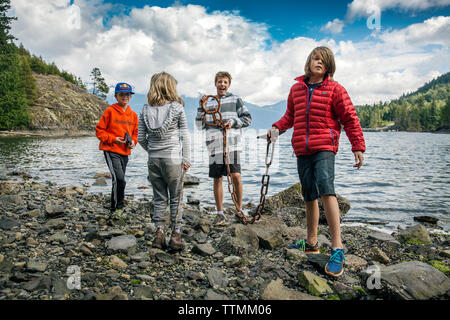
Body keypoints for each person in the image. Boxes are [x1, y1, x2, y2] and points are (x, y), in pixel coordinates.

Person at [268, 46, 366, 277]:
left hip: (325, 147)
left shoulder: (335, 89)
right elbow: (290, 117)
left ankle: (337, 249)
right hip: (302, 148)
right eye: (315, 57)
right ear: (309, 61)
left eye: (323, 60)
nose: (318, 62)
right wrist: (276, 129)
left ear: (329, 65)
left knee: (326, 188)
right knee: (309, 193)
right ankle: (311, 242)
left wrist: (358, 146)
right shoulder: (296, 89)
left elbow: (350, 118)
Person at [138, 72, 191, 251]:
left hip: (153, 159)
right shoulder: (177, 108)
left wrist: (152, 151)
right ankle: (176, 236)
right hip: (173, 158)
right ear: (171, 87)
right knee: (176, 197)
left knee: (159, 197)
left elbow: (141, 138)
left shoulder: (145, 110)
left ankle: (159, 233)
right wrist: (186, 158)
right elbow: (185, 135)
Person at [196, 71, 252, 226]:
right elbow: (199, 126)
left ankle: (239, 210)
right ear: (215, 84)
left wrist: (232, 123)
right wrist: (201, 108)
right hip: (214, 146)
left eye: (225, 82)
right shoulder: (208, 102)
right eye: (220, 81)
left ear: (229, 84)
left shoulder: (236, 100)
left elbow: (247, 118)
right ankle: (220, 213)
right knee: (217, 179)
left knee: (236, 176)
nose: (222, 84)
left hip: (232, 144)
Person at [96, 82, 138, 221]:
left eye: (127, 94)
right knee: (119, 179)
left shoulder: (133, 115)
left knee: (119, 180)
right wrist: (114, 139)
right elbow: (99, 131)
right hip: (111, 150)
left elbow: (135, 135)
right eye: (121, 94)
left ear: (130, 97)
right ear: (116, 96)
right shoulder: (109, 111)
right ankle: (116, 208)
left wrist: (133, 142)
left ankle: (116, 206)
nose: (125, 97)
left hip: (125, 152)